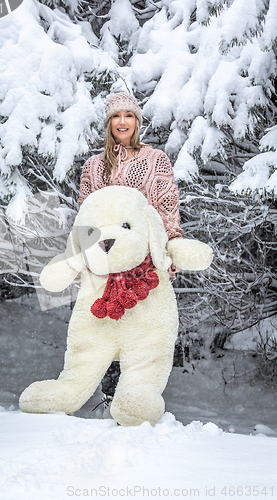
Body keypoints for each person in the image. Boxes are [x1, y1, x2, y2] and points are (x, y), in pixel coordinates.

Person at [77, 91, 183, 409]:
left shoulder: (155, 160)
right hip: (104, 265)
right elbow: (85, 216)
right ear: (108, 123)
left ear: (137, 122)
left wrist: (170, 254)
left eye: (129, 115)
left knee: (144, 337)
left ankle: (136, 403)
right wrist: (84, 259)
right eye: (116, 116)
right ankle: (109, 404)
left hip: (143, 264)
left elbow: (168, 210)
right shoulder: (93, 167)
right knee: (104, 332)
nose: (122, 122)